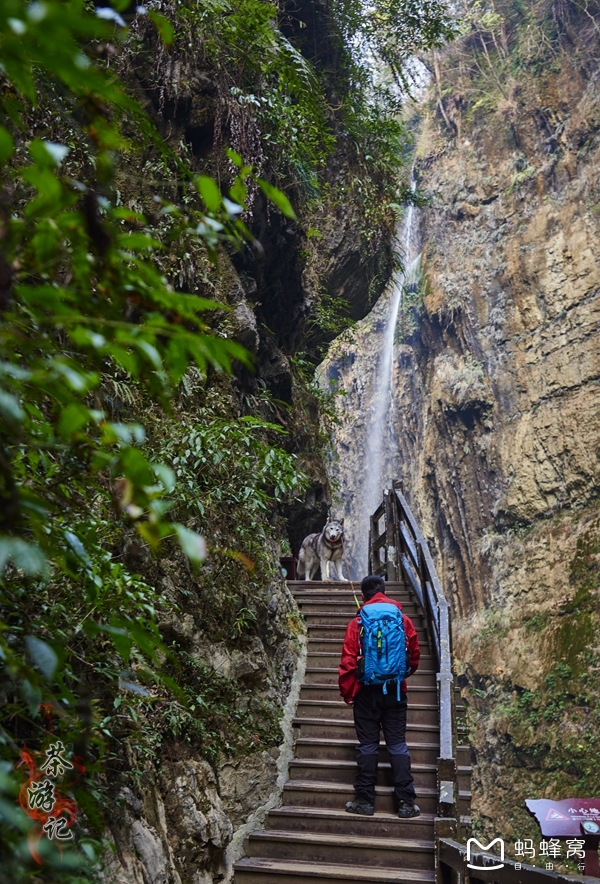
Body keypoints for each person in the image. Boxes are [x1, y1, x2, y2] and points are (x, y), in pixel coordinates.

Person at [338, 574, 421, 818]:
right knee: (397, 746)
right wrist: (399, 676)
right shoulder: (402, 619)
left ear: (363, 596)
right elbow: (413, 655)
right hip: (395, 692)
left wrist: (348, 692)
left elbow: (348, 661)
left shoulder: (358, 622)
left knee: (367, 746)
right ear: (385, 591)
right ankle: (406, 804)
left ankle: (365, 801)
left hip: (365, 693)